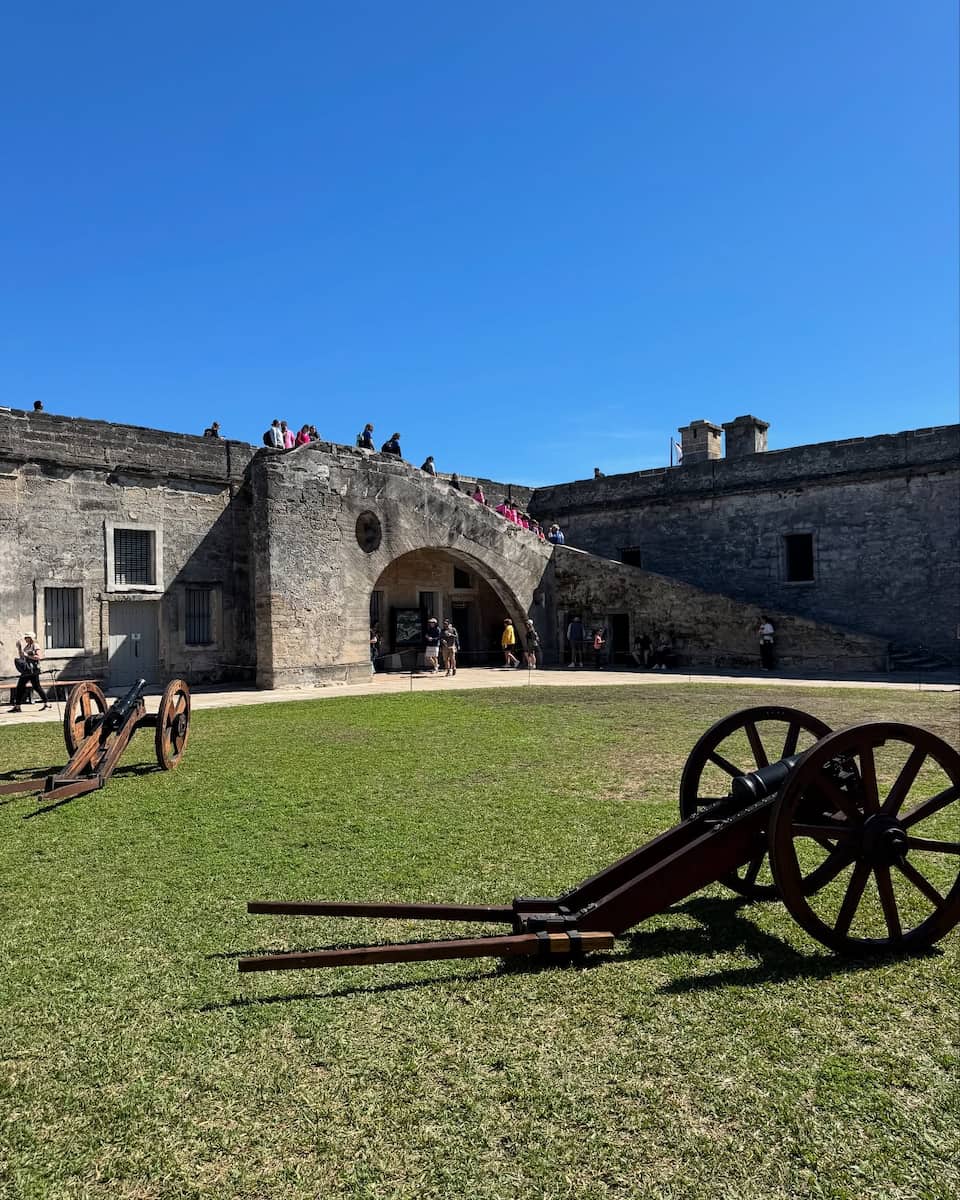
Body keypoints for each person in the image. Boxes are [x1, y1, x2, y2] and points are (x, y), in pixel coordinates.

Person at [9, 632, 50, 713]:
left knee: (36, 687)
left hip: (33, 670)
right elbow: (22, 657)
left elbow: (39, 657)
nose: (25, 639)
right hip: (27, 670)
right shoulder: (27, 647)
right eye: (25, 638)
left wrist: (27, 655)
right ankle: (17, 706)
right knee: (21, 687)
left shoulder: (35, 645)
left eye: (26, 637)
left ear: (30, 638)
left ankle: (46, 703)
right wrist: (19, 648)